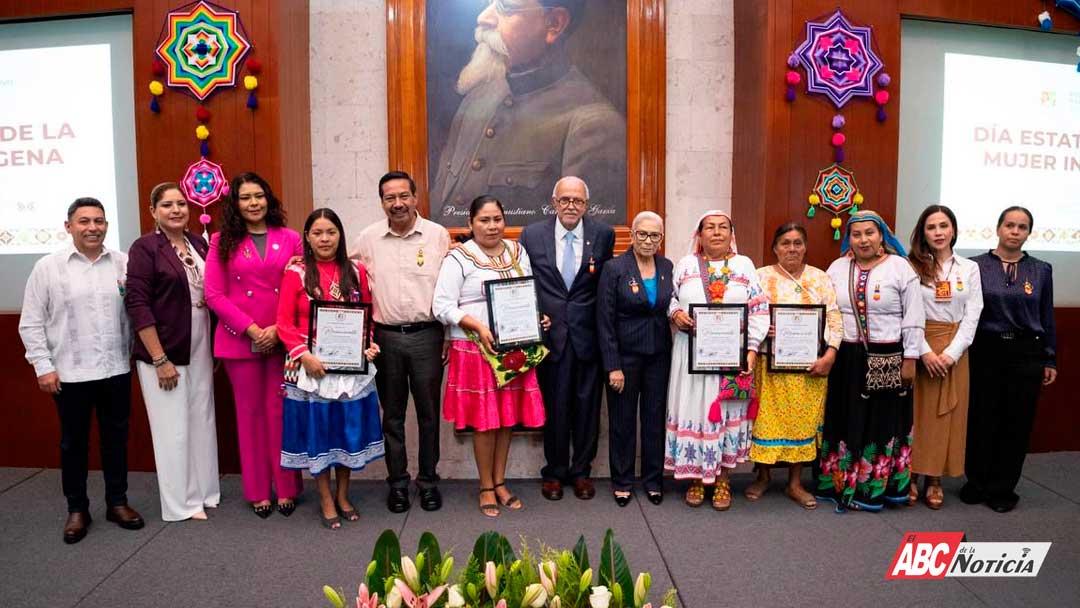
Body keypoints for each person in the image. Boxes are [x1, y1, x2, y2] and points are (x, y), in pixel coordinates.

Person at [430, 0, 626, 225]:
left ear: (554, 24)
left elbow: (581, 241)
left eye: (505, 7)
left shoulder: (596, 125)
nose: (484, 17)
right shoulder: (478, 98)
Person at [19, 197, 145, 543]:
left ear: (107, 226)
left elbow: (136, 313)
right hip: (70, 374)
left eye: (99, 221)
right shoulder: (48, 267)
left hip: (116, 369)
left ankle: (117, 503)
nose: (93, 227)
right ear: (68, 226)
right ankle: (77, 509)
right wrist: (43, 367)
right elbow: (30, 323)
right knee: (73, 443)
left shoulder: (123, 263)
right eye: (84, 221)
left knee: (115, 441)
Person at [433, 195, 548, 517]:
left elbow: (526, 291)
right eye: (484, 220)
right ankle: (485, 485)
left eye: (497, 219)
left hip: (514, 347)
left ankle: (500, 481)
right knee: (485, 422)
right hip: (473, 348)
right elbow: (441, 306)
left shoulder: (517, 251)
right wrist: (478, 326)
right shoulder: (459, 258)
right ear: (470, 223)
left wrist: (537, 316)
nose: (492, 226)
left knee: (507, 417)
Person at [277, 209, 384, 529]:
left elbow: (368, 317)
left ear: (340, 235)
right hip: (311, 369)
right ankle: (325, 497)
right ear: (307, 238)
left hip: (350, 369)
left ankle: (343, 494)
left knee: (345, 431)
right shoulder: (295, 273)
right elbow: (283, 323)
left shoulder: (356, 271)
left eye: (331, 232)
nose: (325, 239)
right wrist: (305, 356)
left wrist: (369, 345)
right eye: (317, 233)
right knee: (320, 434)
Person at [204, 172, 303, 518]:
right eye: (245, 197)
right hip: (239, 341)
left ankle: (287, 487)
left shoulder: (291, 239)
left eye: (258, 195)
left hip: (282, 340)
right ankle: (259, 491)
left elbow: (302, 288)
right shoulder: (221, 241)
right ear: (236, 203)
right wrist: (251, 329)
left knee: (280, 412)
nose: (253, 203)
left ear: (268, 198)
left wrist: (278, 329)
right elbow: (213, 294)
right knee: (249, 415)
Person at [351, 171, 450, 513]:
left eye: (403, 196)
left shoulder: (438, 235)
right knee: (391, 415)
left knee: (428, 414)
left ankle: (428, 482)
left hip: (428, 336)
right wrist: (302, 264)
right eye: (389, 198)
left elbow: (451, 289)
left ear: (415, 197)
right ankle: (397, 483)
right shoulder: (368, 238)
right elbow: (342, 271)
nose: (397, 204)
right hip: (386, 338)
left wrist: (449, 335)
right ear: (382, 202)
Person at [815, 210, 925, 512]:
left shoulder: (900, 268)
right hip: (846, 358)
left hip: (888, 355)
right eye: (857, 234)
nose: (863, 239)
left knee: (883, 420)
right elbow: (824, 311)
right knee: (844, 416)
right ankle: (839, 485)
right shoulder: (837, 268)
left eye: (869, 233)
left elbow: (914, 316)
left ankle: (874, 490)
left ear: (882, 237)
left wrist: (911, 358)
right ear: (849, 238)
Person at [125, 183, 220, 522]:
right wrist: (159, 358)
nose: (177, 210)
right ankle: (181, 503)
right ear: (153, 212)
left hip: (200, 342)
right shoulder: (145, 248)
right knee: (173, 428)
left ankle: (205, 490)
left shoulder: (199, 244)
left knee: (201, 418)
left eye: (181, 203)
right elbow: (136, 304)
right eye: (167, 205)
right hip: (164, 349)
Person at [519, 176, 615, 501]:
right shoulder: (532, 235)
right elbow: (525, 282)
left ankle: (582, 472)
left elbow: (604, 286)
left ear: (586, 204)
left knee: (588, 409)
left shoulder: (603, 234)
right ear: (554, 201)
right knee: (555, 408)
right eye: (565, 200)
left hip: (589, 336)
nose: (571, 206)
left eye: (578, 201)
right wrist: (532, 317)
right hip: (550, 336)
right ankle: (555, 472)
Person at [666, 211, 769, 511]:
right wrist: (675, 314)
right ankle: (697, 479)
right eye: (709, 227)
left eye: (723, 227)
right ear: (699, 234)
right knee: (695, 411)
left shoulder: (744, 265)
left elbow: (759, 309)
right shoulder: (685, 265)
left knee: (724, 412)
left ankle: (722, 478)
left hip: (731, 357)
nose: (716, 232)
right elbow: (670, 298)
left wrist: (750, 350)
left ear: (731, 233)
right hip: (690, 355)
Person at [964, 206, 1056, 513]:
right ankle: (976, 483)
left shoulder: (1042, 270)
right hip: (984, 350)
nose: (1015, 231)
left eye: (1022, 227)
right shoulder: (973, 266)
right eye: (1009, 225)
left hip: (1025, 353)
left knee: (1015, 423)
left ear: (1029, 232)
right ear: (998, 228)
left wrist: (1050, 359)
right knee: (981, 418)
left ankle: (1003, 489)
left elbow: (1046, 316)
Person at [746, 222, 842, 510]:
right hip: (769, 364)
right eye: (785, 243)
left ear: (805, 247)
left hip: (809, 366)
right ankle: (762, 477)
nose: (791, 248)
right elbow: (749, 316)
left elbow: (834, 317)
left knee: (803, 423)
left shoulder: (820, 278)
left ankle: (795, 482)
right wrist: (765, 329)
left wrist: (831, 354)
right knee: (764, 421)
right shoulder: (760, 277)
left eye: (797, 243)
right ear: (774, 248)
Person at [906, 205, 982, 510]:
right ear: (923, 233)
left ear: (953, 230)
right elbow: (908, 311)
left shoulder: (968, 268)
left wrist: (950, 354)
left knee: (946, 417)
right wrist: (924, 351)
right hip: (920, 346)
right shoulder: (910, 266)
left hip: (955, 351)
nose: (938, 232)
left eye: (943, 226)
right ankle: (910, 476)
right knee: (917, 417)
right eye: (931, 227)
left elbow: (973, 313)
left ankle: (934, 480)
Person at [596, 211, 673, 507]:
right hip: (623, 361)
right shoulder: (615, 268)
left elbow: (670, 306)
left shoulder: (667, 266)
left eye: (655, 235)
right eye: (642, 234)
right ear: (632, 234)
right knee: (622, 421)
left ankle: (653, 480)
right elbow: (604, 321)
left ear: (661, 239)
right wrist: (612, 365)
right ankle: (623, 481)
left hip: (658, 357)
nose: (648, 240)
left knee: (654, 420)